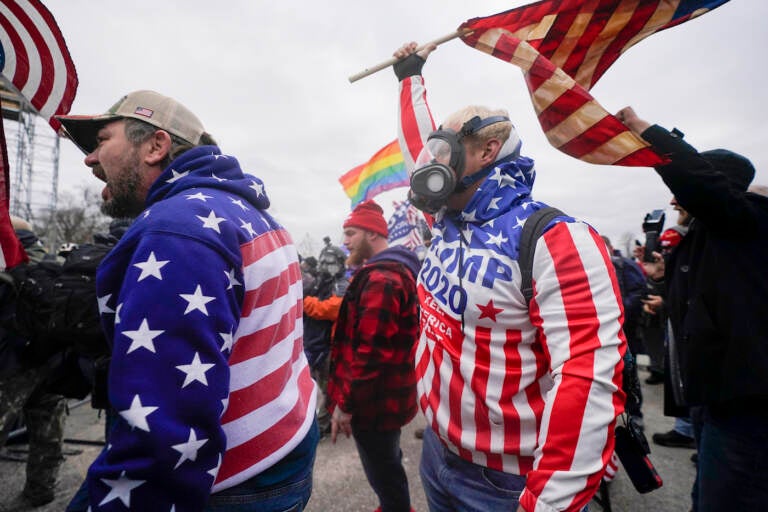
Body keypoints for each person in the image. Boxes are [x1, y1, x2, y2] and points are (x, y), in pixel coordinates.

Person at [55, 90, 318, 511]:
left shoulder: (177, 231)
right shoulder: (254, 215)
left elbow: (162, 433)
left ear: (156, 146)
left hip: (233, 482)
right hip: (283, 449)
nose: (89, 159)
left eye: (102, 140)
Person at [392, 43, 626, 512]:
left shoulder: (557, 239)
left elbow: (587, 382)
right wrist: (409, 77)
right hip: (437, 455)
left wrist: (547, 503)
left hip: (504, 482)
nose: (427, 161)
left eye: (443, 151)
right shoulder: (447, 223)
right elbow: (418, 143)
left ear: (487, 151)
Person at [618, 105, 768, 512]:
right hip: (714, 396)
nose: (673, 198)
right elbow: (716, 290)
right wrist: (665, 282)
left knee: (729, 499)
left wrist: (648, 132)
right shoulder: (711, 234)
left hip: (746, 402)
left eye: (681, 191)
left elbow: (697, 182)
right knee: (707, 490)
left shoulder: (745, 217)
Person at [327, 199, 420, 512]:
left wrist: (345, 405)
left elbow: (370, 355)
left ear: (372, 234)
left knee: (383, 472)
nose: (345, 241)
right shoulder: (384, 273)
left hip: (375, 404)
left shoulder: (382, 279)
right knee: (387, 464)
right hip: (384, 399)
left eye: (351, 233)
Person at [0, 217, 67, 507]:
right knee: (48, 434)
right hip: (52, 363)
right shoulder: (53, 265)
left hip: (12, 365)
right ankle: (40, 491)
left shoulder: (9, 266)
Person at [303, 239, 348, 438]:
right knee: (308, 387)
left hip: (328, 346)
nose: (325, 267)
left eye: (330, 263)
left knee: (327, 388)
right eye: (323, 262)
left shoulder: (341, 283)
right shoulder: (319, 282)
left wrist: (307, 303)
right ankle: (310, 423)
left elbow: (332, 309)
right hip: (311, 343)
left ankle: (323, 425)